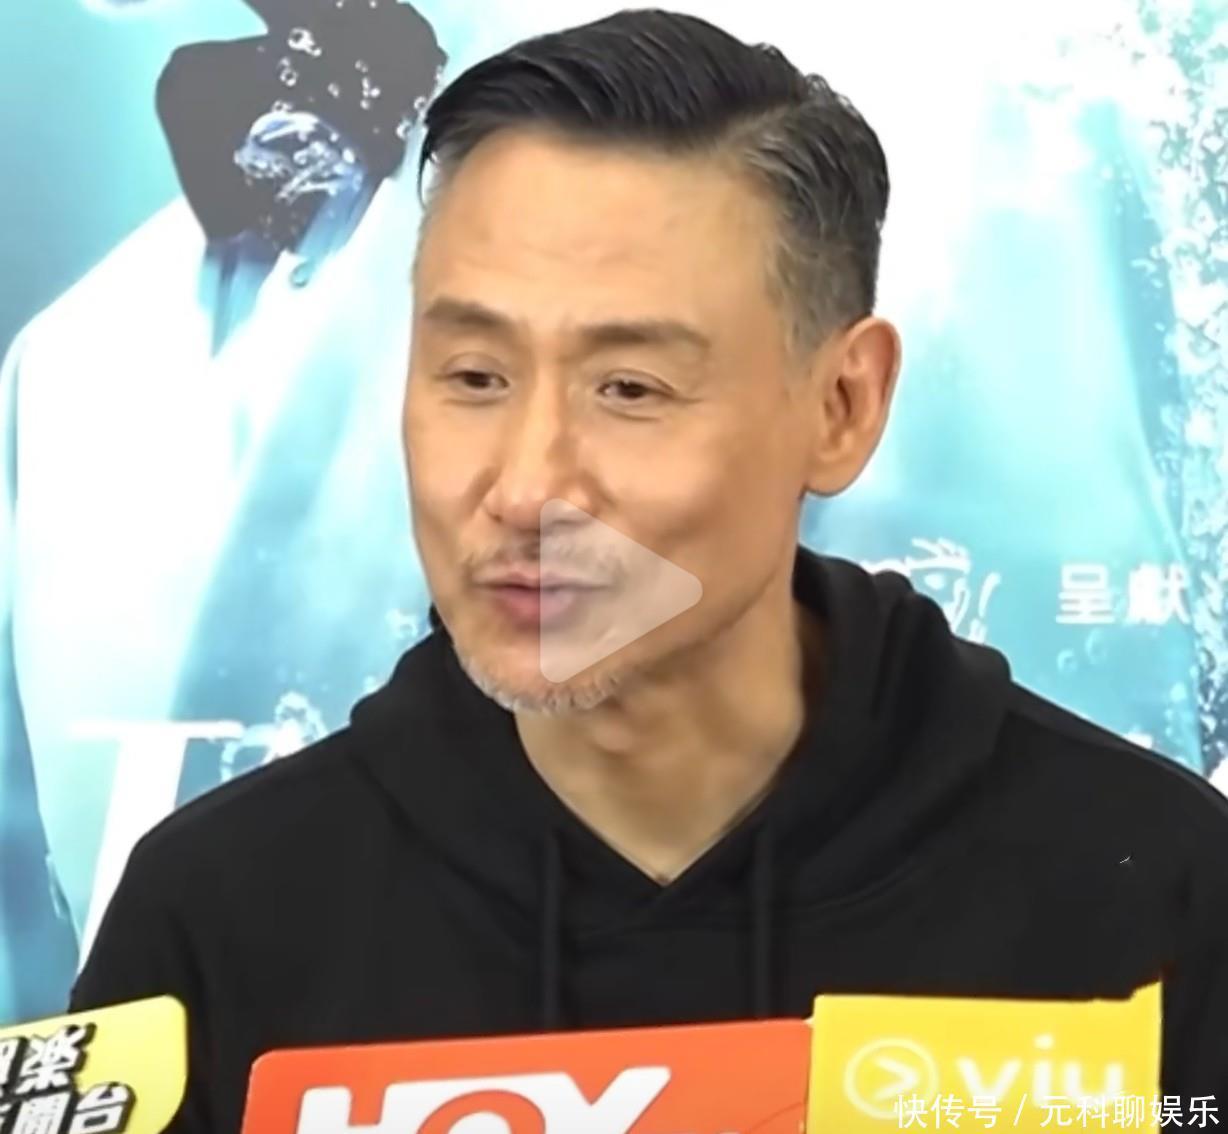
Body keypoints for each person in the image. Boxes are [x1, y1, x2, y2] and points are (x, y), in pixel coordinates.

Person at [70, 8, 1228, 1129]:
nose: (527, 487)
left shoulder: (1150, 893)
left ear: (841, 405)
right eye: (474, 377)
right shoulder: (218, 916)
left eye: (628, 389)